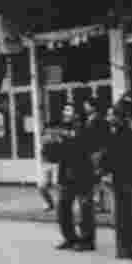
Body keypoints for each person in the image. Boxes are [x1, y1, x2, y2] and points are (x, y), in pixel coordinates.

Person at [101, 98, 132, 260]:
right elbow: (109, 157)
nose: (110, 119)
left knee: (131, 215)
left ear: (121, 117)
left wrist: (106, 170)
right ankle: (129, 249)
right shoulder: (116, 134)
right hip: (123, 178)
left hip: (129, 179)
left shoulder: (131, 134)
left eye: (113, 116)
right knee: (127, 216)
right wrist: (105, 171)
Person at [47, 103, 96, 251]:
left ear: (76, 114)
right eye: (64, 109)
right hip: (66, 175)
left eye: (68, 109)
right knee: (63, 208)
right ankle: (70, 238)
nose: (64, 112)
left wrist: (65, 138)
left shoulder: (85, 129)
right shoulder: (62, 130)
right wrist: (51, 144)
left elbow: (83, 147)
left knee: (85, 209)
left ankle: (87, 240)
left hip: (82, 174)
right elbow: (55, 155)